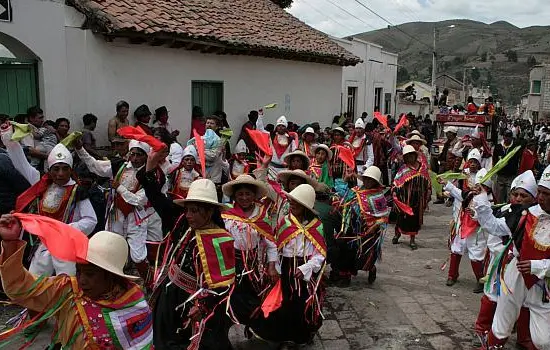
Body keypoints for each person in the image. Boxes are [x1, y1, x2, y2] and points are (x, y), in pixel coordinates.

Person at [0, 217, 153, 348]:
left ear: (112, 277)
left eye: (90, 274)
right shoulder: (69, 291)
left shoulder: (135, 305)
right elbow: (21, 287)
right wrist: (10, 243)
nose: (82, 280)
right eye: (79, 271)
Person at [137, 172, 235, 349]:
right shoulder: (185, 226)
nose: (188, 215)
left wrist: (204, 305)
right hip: (170, 293)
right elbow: (160, 202)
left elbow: (224, 284)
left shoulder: (221, 240)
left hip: (194, 301)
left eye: (194, 211)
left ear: (209, 211)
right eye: (187, 210)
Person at [1, 125, 97, 275]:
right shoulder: (41, 185)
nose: (60, 174)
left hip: (66, 245)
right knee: (35, 283)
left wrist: (62, 229)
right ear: (49, 170)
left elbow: (91, 220)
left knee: (67, 284)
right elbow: (21, 163)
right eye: (56, 169)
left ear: (71, 170)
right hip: (43, 244)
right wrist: (8, 138)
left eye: (65, 169)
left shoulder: (77, 190)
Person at [250, 184, 326, 348]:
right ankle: (281, 336)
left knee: (302, 304)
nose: (292, 207)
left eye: (296, 204)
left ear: (305, 207)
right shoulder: (285, 222)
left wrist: (305, 268)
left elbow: (320, 254)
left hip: (304, 272)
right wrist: (274, 268)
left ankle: (300, 336)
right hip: (285, 268)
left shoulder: (317, 226)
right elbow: (276, 248)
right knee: (283, 303)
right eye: (291, 203)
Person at [486, 164, 550, 349]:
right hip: (516, 274)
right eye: (540, 192)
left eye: (546, 194)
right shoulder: (526, 212)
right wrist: (481, 202)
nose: (540, 198)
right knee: (501, 322)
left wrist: (538, 267)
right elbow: (495, 227)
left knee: (544, 339)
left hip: (544, 285)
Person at [75, 137, 155, 283]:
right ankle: (112, 282)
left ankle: (151, 284)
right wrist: (80, 149)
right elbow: (95, 166)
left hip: (136, 217)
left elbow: (139, 200)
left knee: (138, 256)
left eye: (139, 154)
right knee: (112, 248)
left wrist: (119, 187)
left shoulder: (151, 174)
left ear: (146, 156)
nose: (135, 158)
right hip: (116, 214)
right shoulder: (119, 165)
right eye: (133, 154)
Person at [473, 170, 538, 349]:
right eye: (515, 194)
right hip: (511, 266)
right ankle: (489, 339)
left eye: (523, 196)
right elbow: (493, 226)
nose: (518, 198)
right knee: (503, 304)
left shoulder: (539, 217)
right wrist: (481, 199)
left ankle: (525, 338)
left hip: (539, 272)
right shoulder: (509, 213)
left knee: (532, 306)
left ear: (534, 198)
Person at [221, 175, 278, 328]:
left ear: (254, 195)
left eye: (248, 194)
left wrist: (272, 266)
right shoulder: (227, 216)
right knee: (234, 294)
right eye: (240, 194)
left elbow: (271, 243)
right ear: (234, 196)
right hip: (232, 263)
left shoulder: (261, 216)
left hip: (254, 265)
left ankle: (256, 326)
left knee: (254, 294)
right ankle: (235, 322)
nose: (244, 198)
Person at [331, 166, 390, 287]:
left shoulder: (378, 196)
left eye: (371, 180)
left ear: (375, 182)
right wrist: (346, 180)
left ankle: (371, 268)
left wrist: (374, 227)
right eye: (366, 179)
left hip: (368, 231)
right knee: (347, 250)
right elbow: (343, 197)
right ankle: (345, 275)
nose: (368, 182)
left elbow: (383, 217)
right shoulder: (356, 190)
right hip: (351, 227)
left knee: (364, 255)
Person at [441, 165, 492, 293]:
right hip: (462, 227)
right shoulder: (469, 195)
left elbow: (488, 219)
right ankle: (452, 275)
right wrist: (447, 184)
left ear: (487, 188)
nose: (477, 189)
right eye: (476, 186)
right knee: (456, 249)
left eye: (481, 187)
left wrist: (475, 215)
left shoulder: (489, 201)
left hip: (477, 233)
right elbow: (459, 194)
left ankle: (480, 280)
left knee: (476, 255)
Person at [392, 145, 430, 250]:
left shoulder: (423, 168)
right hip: (405, 199)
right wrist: (395, 192)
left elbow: (428, 182)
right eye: (407, 157)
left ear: (415, 155)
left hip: (418, 199)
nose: (410, 158)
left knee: (414, 220)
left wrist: (427, 195)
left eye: (411, 156)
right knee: (401, 218)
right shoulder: (403, 169)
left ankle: (412, 239)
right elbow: (396, 182)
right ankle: (397, 234)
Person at [493, 130, 522, 203]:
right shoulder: (498, 147)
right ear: (503, 137)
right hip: (500, 176)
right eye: (506, 136)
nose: (507, 138)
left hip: (511, 176)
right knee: (499, 197)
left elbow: (519, 160)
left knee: (510, 197)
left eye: (509, 137)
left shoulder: (515, 148)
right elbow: (494, 159)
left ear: (512, 138)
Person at [349, 119, 374, 184]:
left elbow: (371, 157)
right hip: (351, 168)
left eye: (360, 128)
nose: (358, 130)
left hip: (362, 168)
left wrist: (365, 166)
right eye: (357, 128)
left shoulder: (367, 141)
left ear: (363, 129)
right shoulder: (351, 139)